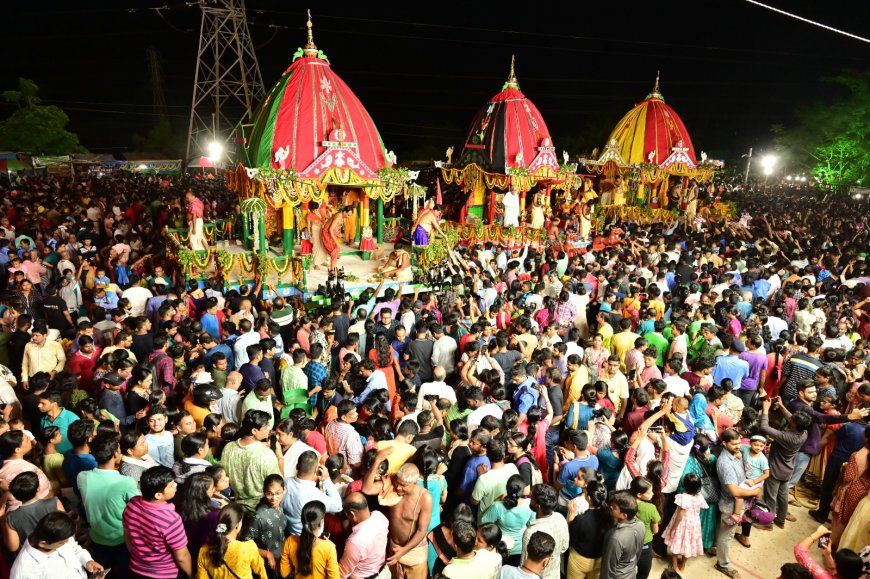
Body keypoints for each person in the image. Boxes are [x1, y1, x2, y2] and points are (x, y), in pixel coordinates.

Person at [78, 431, 140, 573]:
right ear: (116, 454)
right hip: (121, 539)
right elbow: (138, 506)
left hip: (97, 537)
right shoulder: (126, 482)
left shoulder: (82, 477)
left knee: (102, 572)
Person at [123, 465, 193, 579]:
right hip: (164, 574)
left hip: (136, 570)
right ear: (158, 495)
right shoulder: (171, 520)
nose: (176, 485)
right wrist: (192, 575)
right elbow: (182, 557)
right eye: (171, 485)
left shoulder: (132, 504)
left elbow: (127, 537)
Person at [715, 428, 763, 578]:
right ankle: (723, 564)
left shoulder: (737, 453)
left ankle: (717, 551)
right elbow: (735, 491)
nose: (738, 446)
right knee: (726, 535)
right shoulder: (725, 463)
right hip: (731, 505)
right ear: (724, 443)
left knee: (724, 531)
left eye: (739, 443)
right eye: (734, 444)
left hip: (738, 503)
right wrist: (754, 492)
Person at [9, 511, 104, 579]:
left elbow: (75, 549)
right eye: (62, 542)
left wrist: (88, 561)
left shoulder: (60, 536)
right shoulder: (23, 571)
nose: (67, 543)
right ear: (42, 543)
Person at [221, 410, 281, 515]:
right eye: (265, 427)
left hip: (237, 509)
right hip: (260, 511)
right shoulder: (266, 454)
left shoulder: (228, 448)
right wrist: (280, 456)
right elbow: (277, 486)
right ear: (254, 431)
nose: (269, 429)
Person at [196, 503, 267, 579]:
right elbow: (261, 572)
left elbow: (201, 577)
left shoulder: (204, 550)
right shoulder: (249, 548)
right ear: (237, 526)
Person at [283, 450, 342, 535]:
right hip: (309, 537)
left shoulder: (284, 482)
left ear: (296, 466)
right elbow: (338, 506)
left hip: (289, 531)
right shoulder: (314, 495)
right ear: (316, 471)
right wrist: (327, 480)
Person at [481, 474, 536, 566]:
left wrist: (496, 500)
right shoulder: (529, 505)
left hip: (502, 548)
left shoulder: (498, 506)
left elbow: (483, 523)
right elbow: (531, 525)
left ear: (507, 489)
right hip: (521, 547)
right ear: (522, 491)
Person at [279, 500, 340, 579]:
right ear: (321, 522)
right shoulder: (329, 547)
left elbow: (284, 572)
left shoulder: (290, 541)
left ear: (302, 520)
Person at [241, 474, 287, 574]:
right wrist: (267, 554)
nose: (274, 498)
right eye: (269, 493)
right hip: (267, 565)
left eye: (278, 493)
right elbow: (245, 543)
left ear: (284, 490)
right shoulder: (259, 517)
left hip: (282, 559)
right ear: (264, 492)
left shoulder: (279, 506)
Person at [521, 483, 569, 579]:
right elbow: (564, 547)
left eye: (532, 498)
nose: (530, 499)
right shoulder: (560, 518)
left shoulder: (531, 533)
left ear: (538, 507)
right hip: (554, 574)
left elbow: (525, 563)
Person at [662, 472, 707, 571]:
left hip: (682, 524)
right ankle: (683, 565)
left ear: (685, 485)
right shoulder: (700, 497)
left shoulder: (683, 497)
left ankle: (675, 566)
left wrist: (673, 528)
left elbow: (680, 515)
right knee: (688, 544)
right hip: (694, 524)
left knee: (676, 543)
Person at [339, 491, 390, 579]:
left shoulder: (355, 541)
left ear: (352, 514)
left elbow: (342, 573)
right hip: (384, 573)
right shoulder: (380, 516)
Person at [599, 490, 644, 579]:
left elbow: (608, 569)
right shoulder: (640, 525)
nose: (611, 507)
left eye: (615, 507)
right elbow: (637, 553)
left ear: (624, 516)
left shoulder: (616, 538)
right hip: (631, 573)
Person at [792, 524, 863, 579]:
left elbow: (799, 551)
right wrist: (828, 555)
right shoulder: (856, 576)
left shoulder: (823, 576)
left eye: (835, 561)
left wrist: (818, 533)